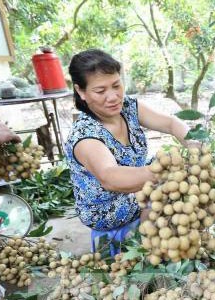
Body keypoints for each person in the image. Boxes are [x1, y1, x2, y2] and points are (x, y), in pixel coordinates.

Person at [65, 49, 193, 232]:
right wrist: (164, 174)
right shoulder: (85, 135)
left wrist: (195, 145)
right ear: (81, 91)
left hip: (133, 185)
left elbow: (171, 123)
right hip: (105, 207)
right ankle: (151, 244)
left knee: (166, 159)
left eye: (116, 85)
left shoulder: (128, 107)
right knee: (163, 185)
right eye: (100, 91)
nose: (113, 97)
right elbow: (110, 177)